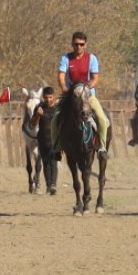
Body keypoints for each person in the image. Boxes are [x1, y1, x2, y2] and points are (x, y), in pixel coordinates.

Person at [51, 31, 110, 160]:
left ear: (86, 45)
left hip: (87, 95)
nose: (79, 47)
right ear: (72, 44)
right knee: (55, 119)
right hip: (70, 96)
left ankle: (102, 148)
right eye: (76, 44)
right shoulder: (66, 58)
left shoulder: (91, 58)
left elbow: (95, 78)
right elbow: (61, 75)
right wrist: (64, 88)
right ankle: (56, 148)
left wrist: (86, 88)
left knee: (101, 119)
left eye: (81, 44)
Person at [30, 86, 58, 195]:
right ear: (43, 97)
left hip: (55, 138)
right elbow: (32, 124)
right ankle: (48, 185)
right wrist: (37, 115)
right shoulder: (39, 107)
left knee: (54, 161)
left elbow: (57, 121)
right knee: (46, 162)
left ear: (54, 96)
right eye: (46, 97)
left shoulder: (57, 108)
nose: (48, 100)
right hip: (42, 138)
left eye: (50, 97)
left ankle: (53, 185)